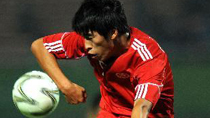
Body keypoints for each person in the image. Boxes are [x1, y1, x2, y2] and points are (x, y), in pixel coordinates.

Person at [31, 0, 174, 117]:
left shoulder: (149, 58)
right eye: (84, 38)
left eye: (90, 39)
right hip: (110, 113)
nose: (86, 46)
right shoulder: (92, 39)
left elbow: (142, 107)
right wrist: (66, 86)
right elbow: (40, 47)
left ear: (113, 33)